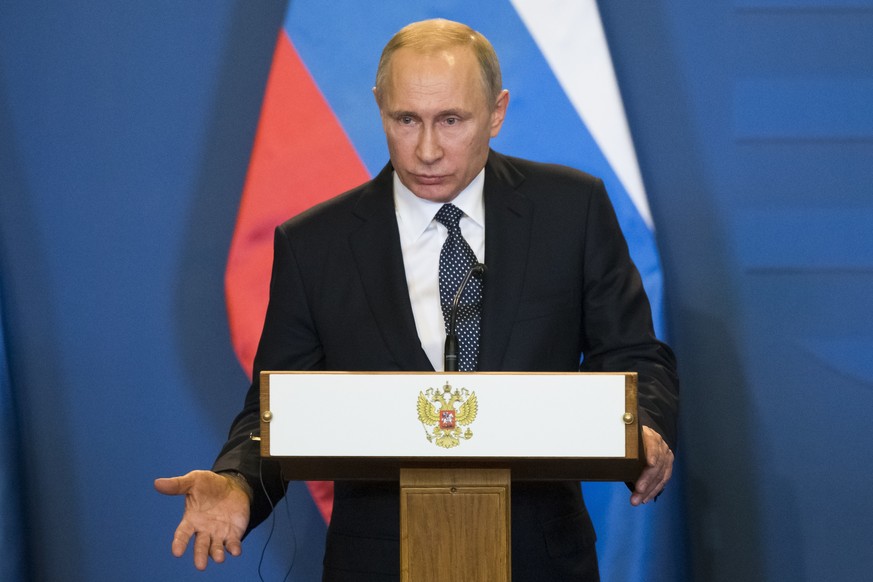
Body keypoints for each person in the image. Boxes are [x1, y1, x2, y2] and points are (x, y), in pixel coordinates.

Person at [155, 18, 678, 581]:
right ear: (380, 107)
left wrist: (641, 429)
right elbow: (277, 406)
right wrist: (237, 482)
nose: (427, 149)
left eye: (451, 120)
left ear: (497, 112)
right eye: (407, 120)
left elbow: (632, 355)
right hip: (378, 561)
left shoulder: (570, 211)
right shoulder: (315, 244)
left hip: (538, 557)